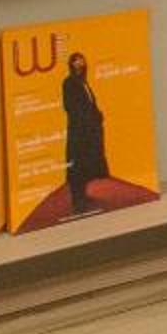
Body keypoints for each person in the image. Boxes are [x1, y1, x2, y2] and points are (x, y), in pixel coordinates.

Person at [61, 52, 108, 218]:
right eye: (76, 61)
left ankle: (83, 195)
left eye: (82, 60)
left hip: (89, 130)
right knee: (77, 164)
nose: (80, 63)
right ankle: (77, 200)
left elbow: (91, 103)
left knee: (86, 162)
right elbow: (70, 107)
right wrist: (85, 121)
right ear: (71, 64)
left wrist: (98, 115)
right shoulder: (69, 82)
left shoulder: (84, 82)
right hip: (79, 131)